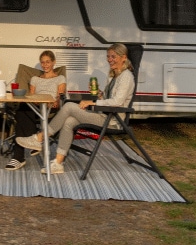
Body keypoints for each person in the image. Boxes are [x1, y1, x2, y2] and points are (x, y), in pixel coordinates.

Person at [16, 43, 135, 174]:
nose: (110, 59)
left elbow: (117, 102)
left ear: (123, 57)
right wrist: (99, 94)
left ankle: (39, 138)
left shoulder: (126, 76)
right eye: (108, 56)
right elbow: (109, 99)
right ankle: (58, 163)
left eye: (113, 56)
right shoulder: (113, 76)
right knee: (69, 121)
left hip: (113, 121)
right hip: (104, 116)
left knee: (69, 106)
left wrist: (92, 102)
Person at [5, 50, 66, 171]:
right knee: (22, 109)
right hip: (36, 106)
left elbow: (59, 97)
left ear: (54, 62)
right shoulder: (35, 79)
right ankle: (31, 144)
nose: (45, 65)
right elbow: (32, 96)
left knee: (22, 114)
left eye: (48, 62)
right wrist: (36, 101)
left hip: (50, 107)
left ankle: (19, 157)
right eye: (42, 62)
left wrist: (54, 101)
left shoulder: (60, 78)